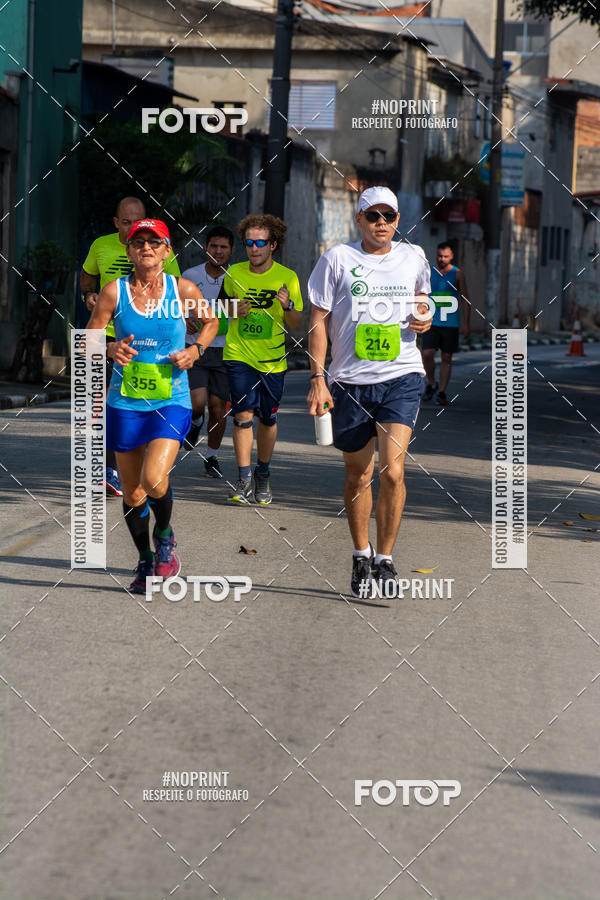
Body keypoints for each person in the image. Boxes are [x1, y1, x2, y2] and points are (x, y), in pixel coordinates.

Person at [306, 186, 432, 599]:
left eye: (389, 216)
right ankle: (361, 554)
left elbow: (424, 300)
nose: (382, 223)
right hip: (349, 381)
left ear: (398, 220)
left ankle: (386, 559)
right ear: (359, 219)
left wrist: (423, 317)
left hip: (402, 375)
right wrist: (318, 378)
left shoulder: (413, 256)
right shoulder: (338, 259)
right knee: (358, 473)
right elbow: (318, 321)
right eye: (373, 216)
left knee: (392, 470)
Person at [86, 219, 218, 593]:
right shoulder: (114, 292)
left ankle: (165, 535)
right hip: (125, 402)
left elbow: (210, 322)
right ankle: (145, 558)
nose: (146, 247)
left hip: (170, 399)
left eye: (154, 241)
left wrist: (196, 350)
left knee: (153, 479)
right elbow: (88, 340)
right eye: (138, 241)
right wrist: (109, 348)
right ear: (128, 251)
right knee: (131, 492)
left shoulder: (183, 289)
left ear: (166, 250)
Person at [81, 197, 181, 495]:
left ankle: (146, 456)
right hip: (107, 334)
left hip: (146, 339)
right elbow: (87, 276)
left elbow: (174, 288)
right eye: (125, 223)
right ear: (116, 223)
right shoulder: (100, 245)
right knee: (101, 401)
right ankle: (110, 468)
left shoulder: (157, 247)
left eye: (136, 222)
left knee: (138, 398)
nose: (131, 228)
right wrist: (89, 295)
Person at [218, 214, 303, 505]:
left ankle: (262, 474)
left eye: (260, 243)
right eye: (249, 243)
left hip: (272, 362)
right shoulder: (233, 273)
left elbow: (295, 322)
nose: (253, 248)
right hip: (239, 355)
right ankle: (242, 479)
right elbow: (220, 307)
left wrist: (287, 305)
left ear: (273, 245)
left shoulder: (287, 277)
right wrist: (232, 310)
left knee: (267, 419)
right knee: (243, 416)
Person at [181, 225, 235, 477]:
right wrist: (183, 316)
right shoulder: (190, 275)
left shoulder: (238, 278)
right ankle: (195, 423)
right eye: (214, 246)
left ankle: (212, 457)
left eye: (223, 247)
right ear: (205, 247)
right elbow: (173, 303)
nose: (218, 251)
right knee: (197, 403)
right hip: (196, 347)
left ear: (232, 250)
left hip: (226, 351)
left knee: (218, 408)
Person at [421, 242, 470, 406]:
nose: (442, 259)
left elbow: (465, 300)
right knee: (427, 354)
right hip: (431, 321)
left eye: (445, 256)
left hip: (450, 323)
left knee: (446, 357)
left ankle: (441, 391)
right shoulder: (429, 272)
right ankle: (432, 383)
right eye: (439, 256)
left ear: (452, 257)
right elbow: (421, 295)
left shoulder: (458, 274)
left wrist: (466, 324)